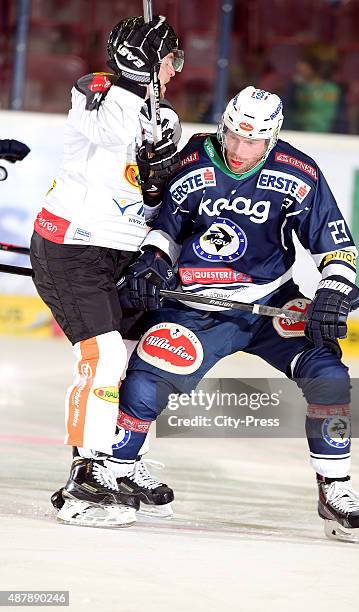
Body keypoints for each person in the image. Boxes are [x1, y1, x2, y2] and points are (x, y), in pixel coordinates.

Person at [110, 86, 359, 543]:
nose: (239, 149)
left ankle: (335, 487)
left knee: (329, 376)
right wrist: (151, 263)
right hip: (197, 306)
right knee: (146, 380)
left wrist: (333, 290)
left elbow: (336, 247)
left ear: (271, 139)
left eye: (252, 142)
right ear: (223, 126)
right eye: (233, 136)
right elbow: (167, 227)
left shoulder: (300, 171)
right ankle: (118, 471)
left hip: (268, 300)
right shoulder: (193, 159)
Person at [29, 15, 183, 527]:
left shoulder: (165, 117)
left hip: (121, 252)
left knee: (141, 354)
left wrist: (161, 164)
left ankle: (117, 459)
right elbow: (103, 119)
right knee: (103, 353)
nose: (174, 71)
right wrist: (135, 89)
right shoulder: (98, 94)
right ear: (143, 63)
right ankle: (84, 481)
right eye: (168, 60)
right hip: (71, 244)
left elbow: (152, 195)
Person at [284, 43, 347, 133]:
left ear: (316, 66)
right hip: (298, 137)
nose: (298, 66)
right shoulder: (295, 88)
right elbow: (286, 115)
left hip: (329, 141)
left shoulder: (336, 90)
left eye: (303, 62)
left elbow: (341, 122)